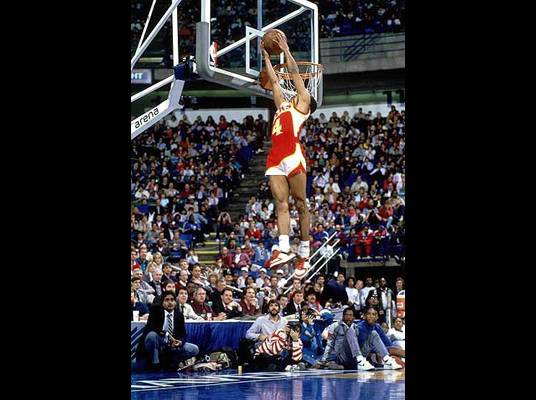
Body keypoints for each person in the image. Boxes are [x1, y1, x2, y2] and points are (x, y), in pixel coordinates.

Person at [261, 33, 317, 275]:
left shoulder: (303, 104)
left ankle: (305, 254)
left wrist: (286, 49)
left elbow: (294, 74)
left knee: (301, 204)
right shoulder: (283, 105)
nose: (296, 92)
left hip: (293, 154)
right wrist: (265, 54)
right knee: (281, 204)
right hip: (275, 156)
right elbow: (275, 82)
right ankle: (284, 248)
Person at [136, 291, 199, 371]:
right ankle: (156, 364)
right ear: (162, 302)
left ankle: (172, 363)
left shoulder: (179, 315)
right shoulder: (155, 311)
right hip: (159, 341)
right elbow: (151, 328)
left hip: (172, 345)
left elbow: (183, 334)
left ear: (175, 302)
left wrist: (180, 342)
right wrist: (168, 336)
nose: (170, 302)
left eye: (172, 300)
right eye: (167, 300)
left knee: (194, 349)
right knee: (151, 335)